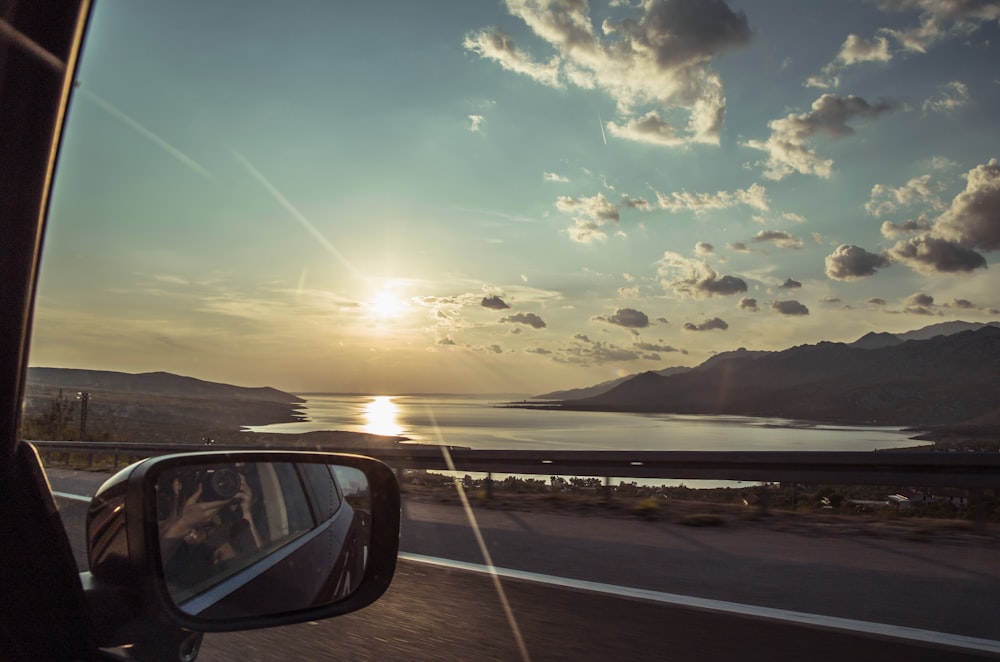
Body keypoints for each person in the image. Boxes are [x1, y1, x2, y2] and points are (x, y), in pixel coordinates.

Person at [158, 468, 263, 596]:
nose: (214, 484)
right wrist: (182, 525)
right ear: (177, 485)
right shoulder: (145, 530)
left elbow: (257, 576)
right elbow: (143, 579)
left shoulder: (222, 534)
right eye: (203, 478)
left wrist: (245, 512)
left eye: (222, 479)